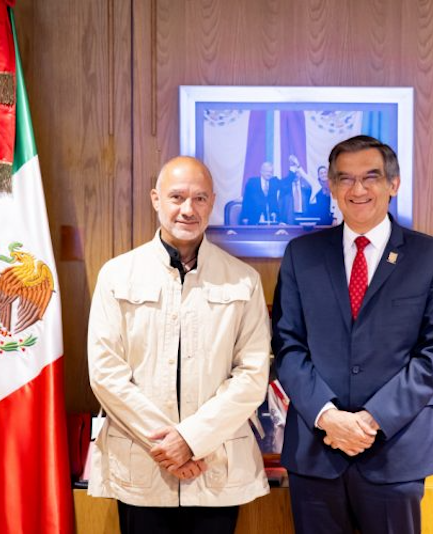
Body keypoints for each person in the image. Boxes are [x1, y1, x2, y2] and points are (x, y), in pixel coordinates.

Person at [271, 136, 433, 534]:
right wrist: (328, 417)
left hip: (396, 451)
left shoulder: (432, 257)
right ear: (331, 187)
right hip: (317, 451)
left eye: (370, 177)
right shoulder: (302, 255)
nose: (357, 189)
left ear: (394, 183)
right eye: (345, 178)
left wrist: (371, 420)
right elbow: (287, 346)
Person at [87, 156, 271, 534]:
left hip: (214, 468)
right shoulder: (117, 275)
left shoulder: (243, 280)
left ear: (212, 202)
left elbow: (252, 376)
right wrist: (171, 447)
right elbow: (106, 373)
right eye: (177, 197)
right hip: (144, 467)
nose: (188, 209)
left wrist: (191, 439)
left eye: (200, 198)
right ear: (156, 199)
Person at [277, 154, 313, 224]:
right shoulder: (286, 185)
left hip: (304, 216)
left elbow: (311, 183)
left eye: (298, 173)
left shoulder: (306, 186)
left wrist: (298, 165)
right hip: (289, 216)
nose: (296, 175)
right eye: (295, 173)